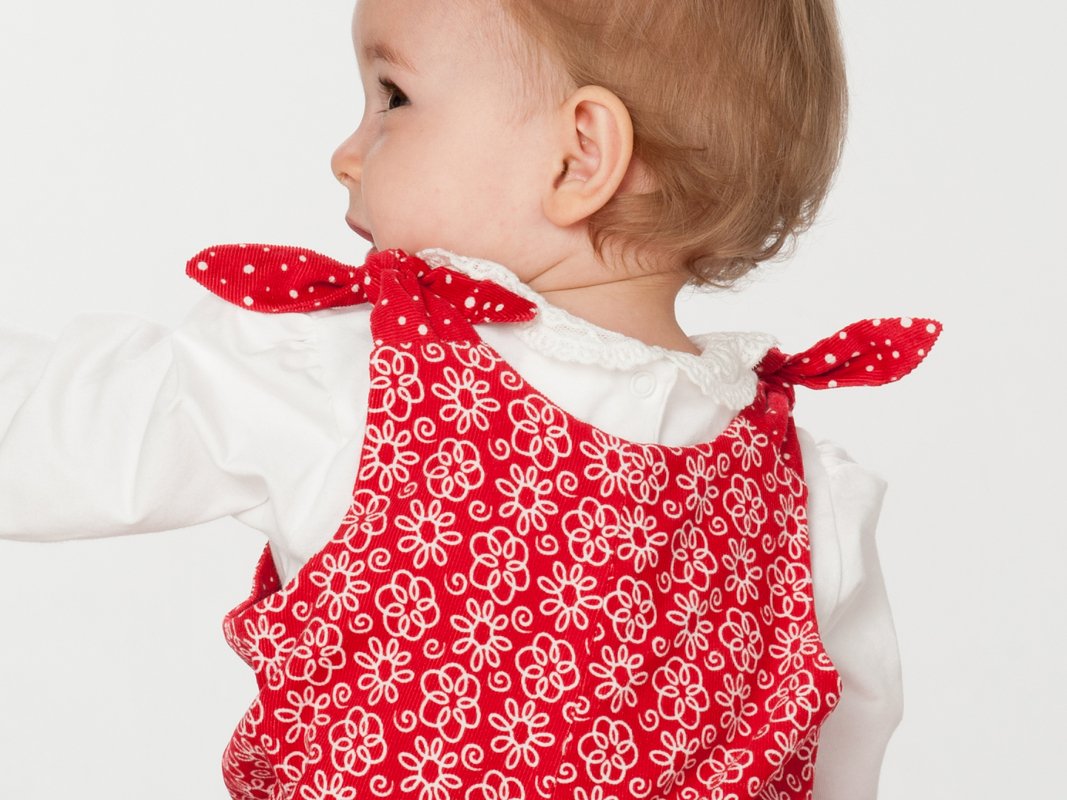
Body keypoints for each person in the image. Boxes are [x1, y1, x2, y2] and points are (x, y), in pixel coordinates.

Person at [0, 0, 940, 798]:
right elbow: (840, 759)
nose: (345, 154)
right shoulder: (802, 494)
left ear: (579, 155)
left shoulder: (362, 375)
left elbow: (47, 439)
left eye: (392, 98)